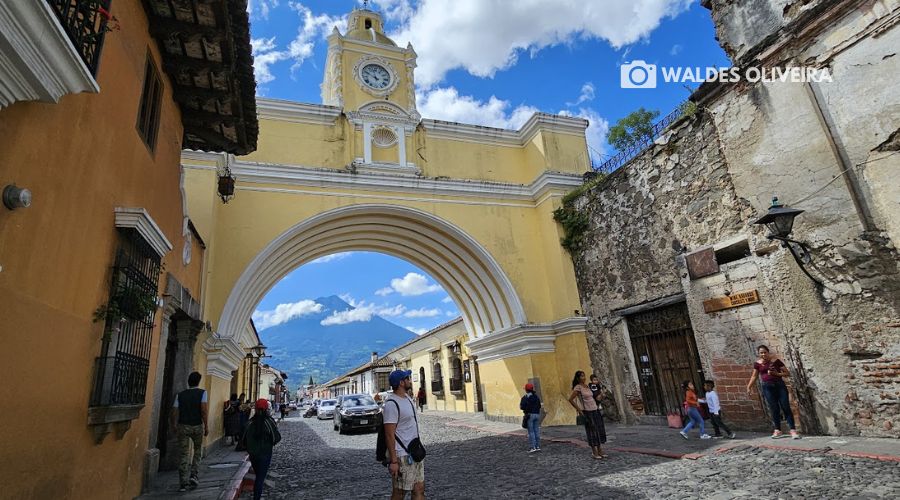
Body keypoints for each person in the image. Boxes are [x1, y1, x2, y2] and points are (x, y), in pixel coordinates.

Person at [384, 370, 425, 500]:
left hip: (414, 452)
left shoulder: (407, 398)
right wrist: (394, 461)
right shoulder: (392, 404)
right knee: (400, 492)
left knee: (419, 488)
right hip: (402, 455)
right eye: (407, 378)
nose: (409, 380)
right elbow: (389, 435)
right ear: (401, 382)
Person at [747, 345, 801, 439]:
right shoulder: (757, 364)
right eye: (761, 353)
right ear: (759, 354)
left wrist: (777, 374)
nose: (763, 354)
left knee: (785, 407)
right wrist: (749, 386)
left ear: (768, 352)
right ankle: (777, 430)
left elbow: (787, 373)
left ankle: (792, 430)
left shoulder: (775, 361)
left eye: (765, 352)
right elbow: (754, 376)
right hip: (767, 387)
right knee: (774, 408)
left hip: (779, 386)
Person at [170, 371, 209, 492]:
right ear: (198, 381)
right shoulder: (202, 393)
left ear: (189, 381)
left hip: (183, 426)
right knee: (197, 451)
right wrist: (206, 425)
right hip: (197, 426)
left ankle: (183, 482)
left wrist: (174, 424)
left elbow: (175, 410)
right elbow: (203, 410)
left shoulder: (180, 395)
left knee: (184, 453)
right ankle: (194, 475)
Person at [243, 399, 282, 500]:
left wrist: (250, 448)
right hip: (265, 454)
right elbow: (276, 438)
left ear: (255, 409)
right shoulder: (269, 422)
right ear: (266, 409)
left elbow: (243, 440)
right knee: (260, 478)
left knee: (258, 476)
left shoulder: (250, 423)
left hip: (253, 455)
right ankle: (257, 497)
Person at [568, 370, 607, 459]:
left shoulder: (587, 386)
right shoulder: (578, 387)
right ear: (578, 378)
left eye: (584, 376)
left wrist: (601, 395)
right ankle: (594, 452)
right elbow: (570, 399)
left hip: (595, 409)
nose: (584, 378)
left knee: (599, 429)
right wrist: (579, 410)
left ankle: (600, 449)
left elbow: (593, 397)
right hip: (587, 411)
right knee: (591, 431)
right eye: (581, 376)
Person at [520, 383, 542, 452]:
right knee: (536, 430)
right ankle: (537, 446)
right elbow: (539, 406)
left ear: (526, 390)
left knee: (531, 432)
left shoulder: (525, 397)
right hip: (537, 414)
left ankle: (533, 447)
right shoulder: (536, 397)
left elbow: (522, 407)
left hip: (530, 415)